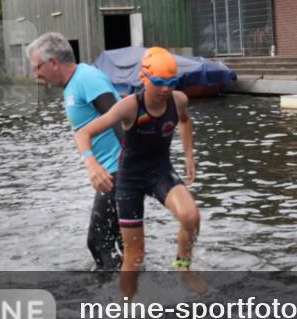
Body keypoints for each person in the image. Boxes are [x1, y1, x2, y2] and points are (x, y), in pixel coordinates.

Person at [74, 46, 206, 297]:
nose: (166, 89)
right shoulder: (129, 107)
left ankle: (183, 266)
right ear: (144, 79)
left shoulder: (178, 101)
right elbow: (84, 133)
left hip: (160, 170)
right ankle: (126, 309)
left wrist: (189, 155)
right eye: (159, 82)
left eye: (171, 82)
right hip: (130, 179)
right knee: (134, 256)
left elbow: (186, 121)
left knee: (191, 217)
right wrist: (92, 164)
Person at [27, 32, 124, 270]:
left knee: (98, 241)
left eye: (37, 67)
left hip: (118, 172)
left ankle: (115, 300)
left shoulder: (86, 79)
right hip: (111, 172)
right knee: (121, 241)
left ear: (53, 63)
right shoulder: (75, 83)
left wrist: (128, 168)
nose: (36, 74)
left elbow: (118, 118)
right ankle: (135, 291)